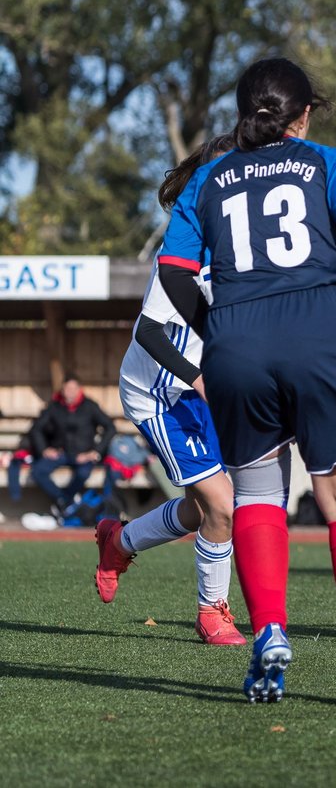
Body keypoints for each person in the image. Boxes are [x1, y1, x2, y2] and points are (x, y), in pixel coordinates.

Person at [158, 58, 336, 704]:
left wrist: (220, 325)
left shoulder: (209, 178)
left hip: (236, 340)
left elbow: (173, 274)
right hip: (318, 328)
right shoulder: (326, 164)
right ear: (304, 113)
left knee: (256, 493)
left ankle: (271, 631)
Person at [93, 133, 246, 646]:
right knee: (223, 506)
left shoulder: (242, 240)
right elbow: (149, 332)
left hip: (201, 390)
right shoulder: (185, 240)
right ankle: (212, 613)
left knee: (206, 507)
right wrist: (203, 381)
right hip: (157, 392)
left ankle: (120, 540)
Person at [28, 375, 115, 519]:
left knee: (82, 473)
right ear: (62, 390)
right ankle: (65, 501)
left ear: (79, 390)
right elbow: (36, 429)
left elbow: (110, 428)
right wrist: (44, 450)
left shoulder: (90, 406)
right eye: (67, 389)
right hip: (61, 453)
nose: (70, 392)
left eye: (73, 389)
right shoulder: (54, 406)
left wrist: (95, 452)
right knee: (38, 471)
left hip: (84, 454)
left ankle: (64, 504)